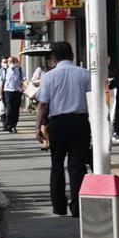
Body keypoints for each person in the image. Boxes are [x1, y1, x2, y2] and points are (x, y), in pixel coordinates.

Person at [35, 41, 91, 217]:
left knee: (57, 164)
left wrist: (38, 126)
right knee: (77, 166)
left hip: (57, 123)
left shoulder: (49, 77)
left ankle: (59, 207)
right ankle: (78, 208)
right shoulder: (84, 74)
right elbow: (93, 99)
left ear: (53, 58)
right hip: (80, 122)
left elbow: (43, 104)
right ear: (72, 55)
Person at [0, 56, 25, 132]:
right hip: (8, 92)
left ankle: (14, 125)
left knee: (16, 110)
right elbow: (2, 83)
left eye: (14, 61)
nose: (12, 63)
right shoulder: (5, 71)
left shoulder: (20, 70)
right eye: (10, 62)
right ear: (8, 63)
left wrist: (25, 89)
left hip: (17, 92)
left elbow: (24, 80)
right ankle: (8, 124)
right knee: (10, 108)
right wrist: (1, 94)